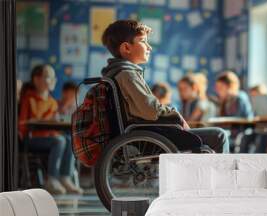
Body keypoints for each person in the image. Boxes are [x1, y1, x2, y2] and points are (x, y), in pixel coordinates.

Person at [101, 19, 229, 153]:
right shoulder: (127, 74)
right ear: (126, 48)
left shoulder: (115, 73)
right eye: (143, 41)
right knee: (219, 135)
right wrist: (176, 114)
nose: (149, 47)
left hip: (145, 134)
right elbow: (150, 110)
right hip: (152, 136)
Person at [19, 65, 83, 195]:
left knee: (69, 139)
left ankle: (65, 177)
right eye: (48, 76)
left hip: (49, 137)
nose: (53, 79)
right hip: (31, 138)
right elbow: (22, 123)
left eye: (53, 77)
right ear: (36, 79)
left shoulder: (52, 102)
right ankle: (51, 179)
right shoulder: (29, 98)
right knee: (59, 141)